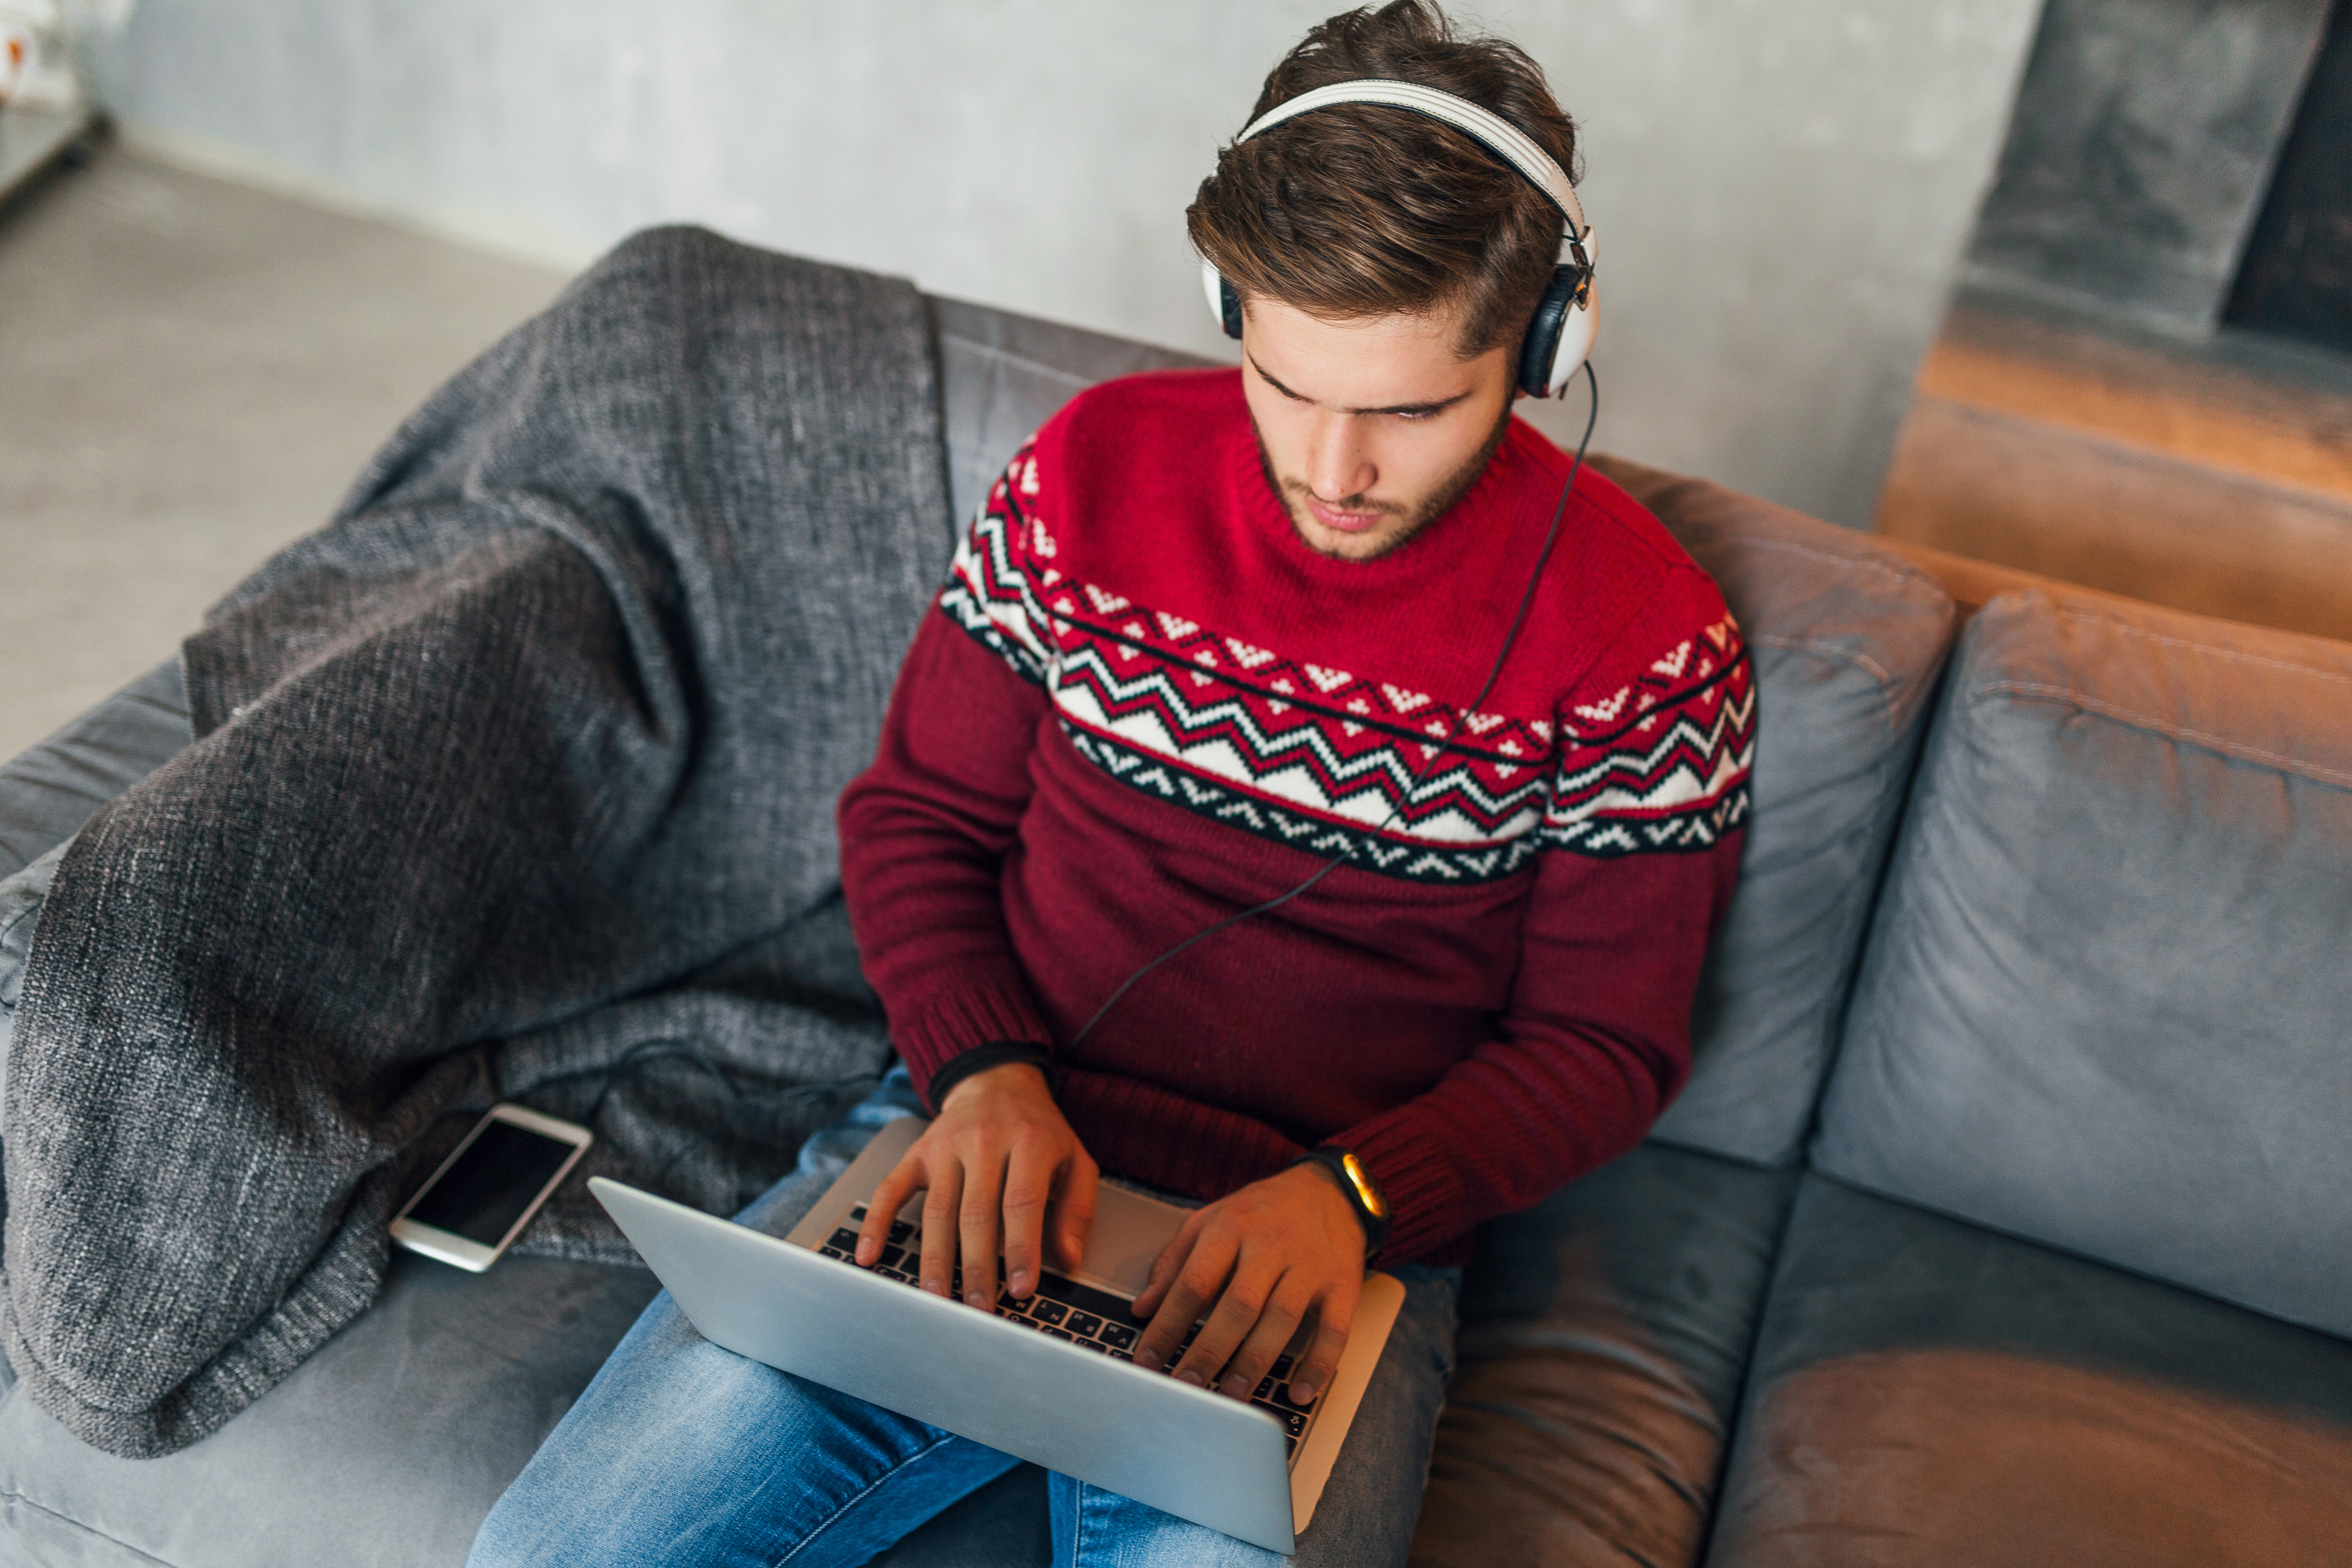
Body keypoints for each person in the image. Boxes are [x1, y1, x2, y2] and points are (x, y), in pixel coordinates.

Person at [468, 3, 1753, 1564]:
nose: (1334, 471)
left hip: (1329, 1243)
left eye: (1412, 410)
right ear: (1230, 304)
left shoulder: (1651, 642)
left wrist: (1354, 1199)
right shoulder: (1087, 477)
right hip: (979, 1141)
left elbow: (1602, 1044)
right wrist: (982, 1074)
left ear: (1545, 349)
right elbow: (915, 820)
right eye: (1287, 382)